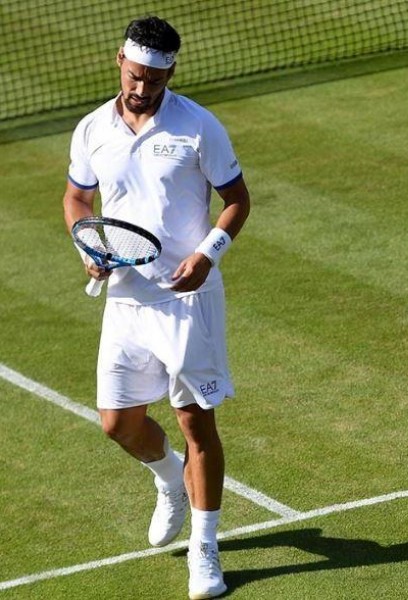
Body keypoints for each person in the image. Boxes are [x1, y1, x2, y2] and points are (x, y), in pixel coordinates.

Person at [62, 15, 250, 600]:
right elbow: (76, 196)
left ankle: (205, 549)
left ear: (173, 71)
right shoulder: (92, 127)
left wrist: (207, 254)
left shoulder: (200, 127)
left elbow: (237, 200)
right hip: (125, 297)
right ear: (120, 59)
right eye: (137, 75)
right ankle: (169, 480)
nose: (144, 88)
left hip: (187, 300)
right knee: (118, 423)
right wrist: (86, 246)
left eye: (157, 78)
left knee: (198, 424)